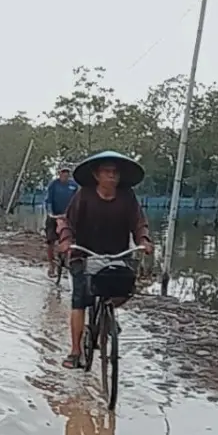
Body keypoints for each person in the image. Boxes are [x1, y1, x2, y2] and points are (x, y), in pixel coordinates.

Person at [56, 151, 153, 369]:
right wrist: (66, 241)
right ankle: (75, 351)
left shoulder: (127, 196)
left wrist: (144, 240)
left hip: (116, 255)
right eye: (107, 172)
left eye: (115, 173)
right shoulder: (84, 195)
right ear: (96, 175)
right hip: (84, 253)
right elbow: (66, 223)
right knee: (80, 299)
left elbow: (139, 223)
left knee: (126, 288)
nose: (112, 176)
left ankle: (107, 315)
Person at [43, 165, 79, 277]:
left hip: (67, 217)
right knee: (51, 241)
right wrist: (51, 214)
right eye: (63, 172)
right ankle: (51, 265)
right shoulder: (53, 184)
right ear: (59, 173)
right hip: (54, 216)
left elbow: (77, 201)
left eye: (67, 172)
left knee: (70, 240)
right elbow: (48, 201)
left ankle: (68, 264)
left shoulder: (73, 186)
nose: (65, 174)